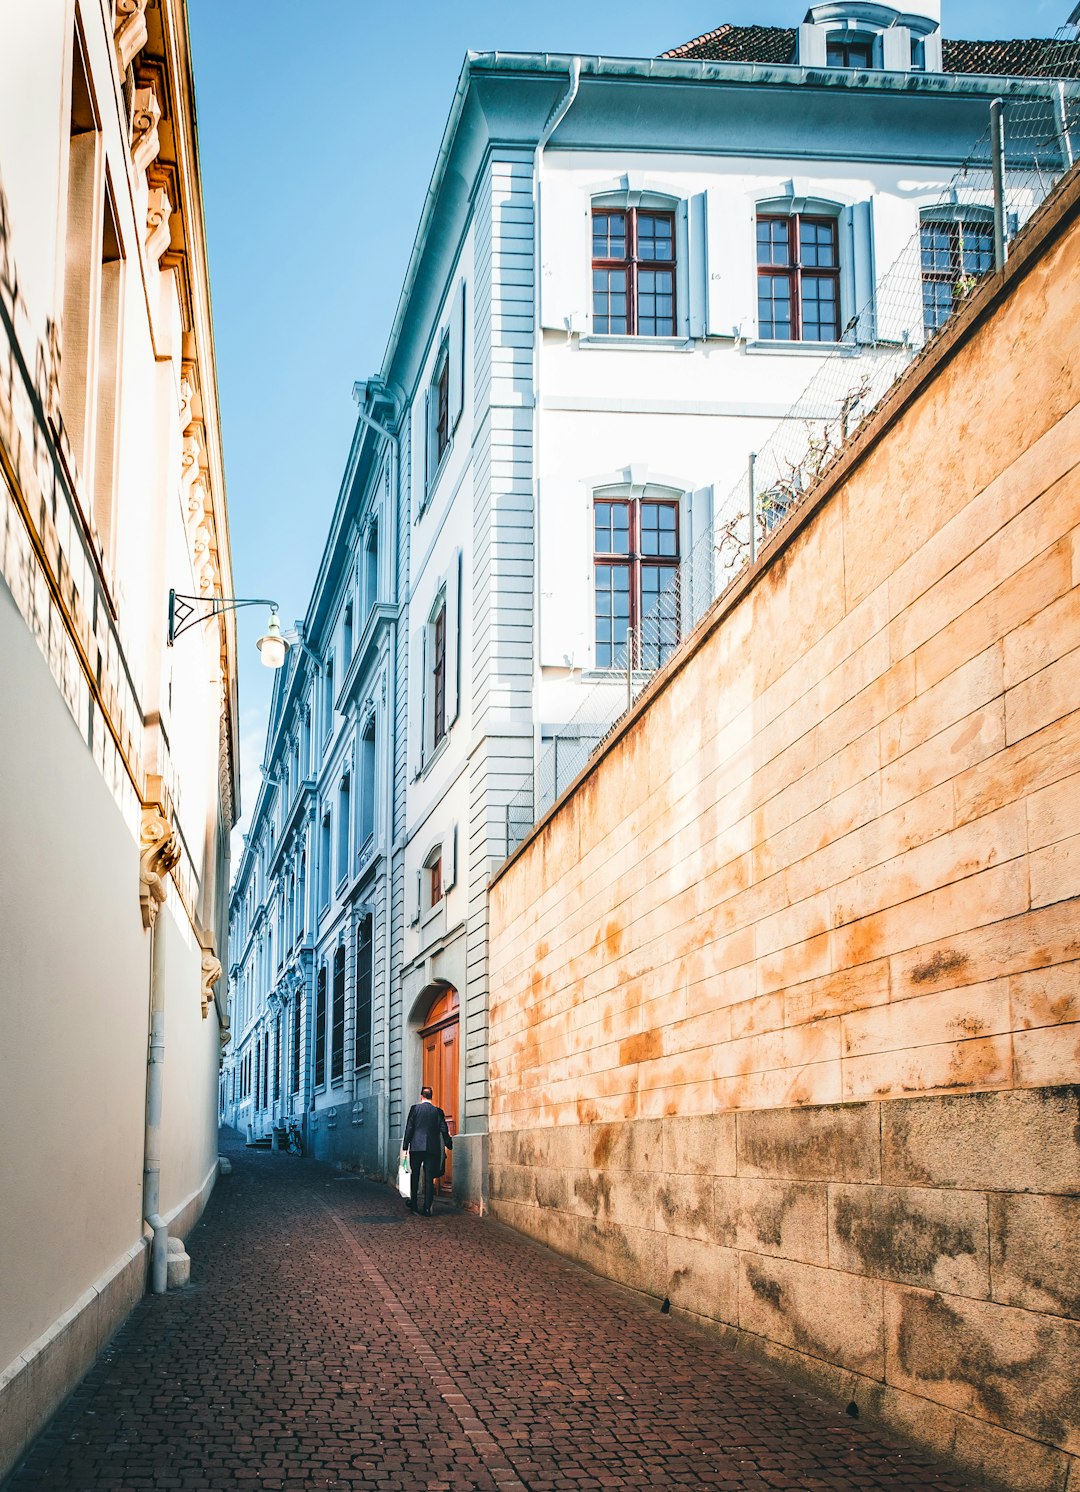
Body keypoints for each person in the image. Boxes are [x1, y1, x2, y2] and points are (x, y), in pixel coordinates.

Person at [401, 1085, 452, 1216]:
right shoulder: (438, 1111)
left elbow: (409, 1128)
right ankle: (427, 1208)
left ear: (421, 1096)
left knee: (415, 1175)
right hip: (431, 1148)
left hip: (416, 1147)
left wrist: (405, 1147)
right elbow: (444, 1129)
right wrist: (448, 1143)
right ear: (431, 1097)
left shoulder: (415, 1109)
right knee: (429, 1178)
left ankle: (413, 1205)